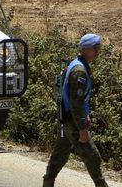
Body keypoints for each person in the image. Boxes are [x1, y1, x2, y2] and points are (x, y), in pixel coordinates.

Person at [43, 33, 108, 187]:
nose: (98, 52)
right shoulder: (79, 71)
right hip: (73, 123)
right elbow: (76, 103)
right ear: (86, 50)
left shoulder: (77, 63)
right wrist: (82, 129)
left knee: (59, 156)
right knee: (93, 158)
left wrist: (85, 117)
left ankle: (47, 182)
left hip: (68, 119)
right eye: (95, 49)